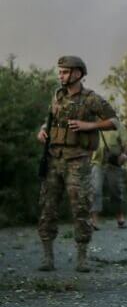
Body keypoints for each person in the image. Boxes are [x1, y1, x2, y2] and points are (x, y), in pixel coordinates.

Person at [36, 56, 117, 272]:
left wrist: (88, 125)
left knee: (81, 208)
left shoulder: (91, 99)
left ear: (77, 74)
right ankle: (47, 257)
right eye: (60, 71)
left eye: (64, 72)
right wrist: (43, 130)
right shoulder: (57, 95)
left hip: (78, 161)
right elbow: (51, 120)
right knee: (47, 207)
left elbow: (113, 121)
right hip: (53, 158)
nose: (60, 75)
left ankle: (82, 257)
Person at [90, 119, 127, 230]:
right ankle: (94, 220)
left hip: (113, 163)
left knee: (116, 191)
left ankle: (119, 216)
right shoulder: (92, 124)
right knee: (95, 190)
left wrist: (124, 155)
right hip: (97, 162)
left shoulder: (116, 125)